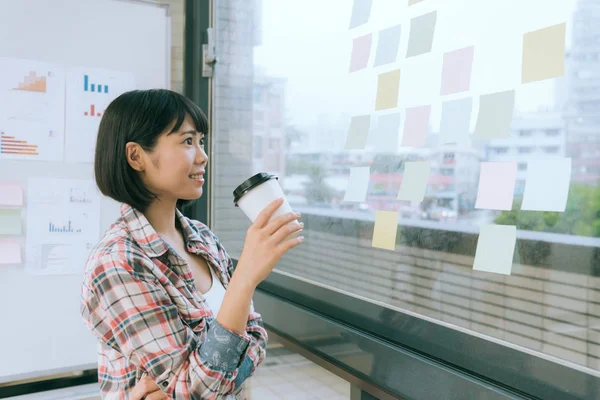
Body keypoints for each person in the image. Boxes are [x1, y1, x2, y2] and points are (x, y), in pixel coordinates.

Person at [80, 89, 304, 399]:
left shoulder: (202, 237)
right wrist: (245, 277)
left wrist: (192, 386)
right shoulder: (119, 261)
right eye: (187, 141)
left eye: (201, 141)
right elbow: (197, 390)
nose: (203, 156)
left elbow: (256, 339)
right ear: (136, 156)